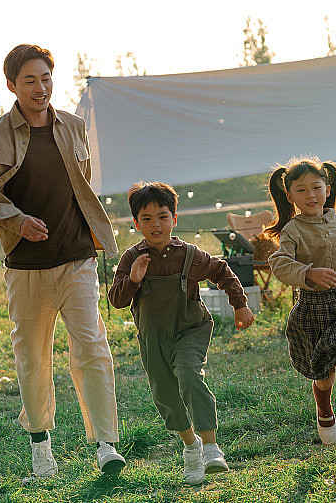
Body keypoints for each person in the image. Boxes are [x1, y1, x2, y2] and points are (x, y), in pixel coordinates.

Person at [0, 44, 126, 478]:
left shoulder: (74, 127)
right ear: (11, 86)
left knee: (91, 347)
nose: (41, 88)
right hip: (26, 266)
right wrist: (17, 221)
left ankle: (105, 444)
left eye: (46, 78)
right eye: (30, 81)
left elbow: (83, 180)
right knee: (33, 357)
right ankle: (41, 444)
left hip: (77, 257)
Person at [109, 181, 255, 485]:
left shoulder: (189, 254)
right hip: (153, 337)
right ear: (136, 223)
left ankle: (211, 447)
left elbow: (222, 271)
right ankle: (191, 446)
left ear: (174, 219)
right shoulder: (130, 258)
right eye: (147, 219)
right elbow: (117, 301)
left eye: (163, 216)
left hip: (191, 329)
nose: (156, 225)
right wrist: (133, 279)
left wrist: (240, 305)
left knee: (189, 374)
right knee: (165, 394)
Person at [266, 157, 336, 461]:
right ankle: (323, 407)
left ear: (327, 189)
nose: (311, 195)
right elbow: (279, 264)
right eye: (301, 190)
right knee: (324, 376)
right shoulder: (292, 230)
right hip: (312, 309)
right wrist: (307, 272)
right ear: (290, 197)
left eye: (316, 187)